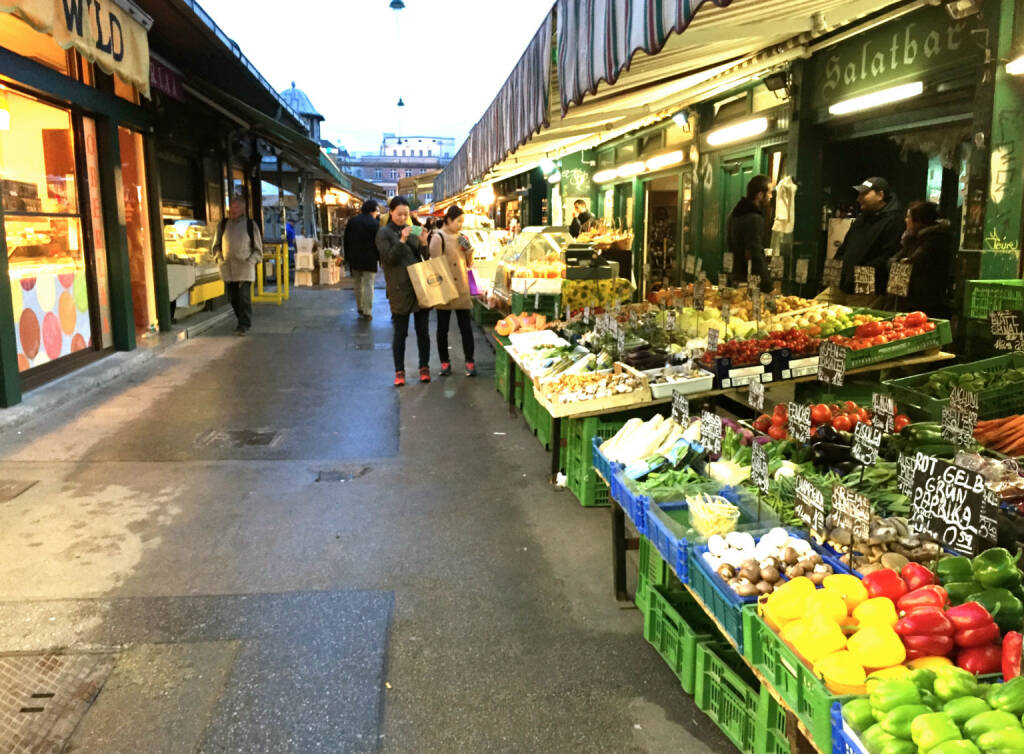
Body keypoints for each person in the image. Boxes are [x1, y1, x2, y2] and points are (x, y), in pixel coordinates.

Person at [377, 196, 430, 386]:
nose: (402, 218)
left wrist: (423, 243)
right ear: (391, 213)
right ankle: (399, 371)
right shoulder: (383, 233)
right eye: (399, 214)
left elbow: (425, 258)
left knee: (423, 330)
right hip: (399, 288)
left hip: (419, 286)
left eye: (406, 214)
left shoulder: (413, 229)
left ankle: (424, 367)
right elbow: (388, 259)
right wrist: (402, 240)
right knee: (401, 332)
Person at [834, 177, 904, 306]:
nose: (858, 198)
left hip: (866, 290)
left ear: (880, 195)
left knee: (854, 322)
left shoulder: (895, 221)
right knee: (814, 310)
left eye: (864, 194)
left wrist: (857, 277)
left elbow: (887, 257)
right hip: (842, 285)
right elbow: (845, 246)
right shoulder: (861, 218)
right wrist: (836, 270)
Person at [430, 205, 476, 376]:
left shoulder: (462, 237)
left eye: (462, 222)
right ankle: (444, 362)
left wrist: (469, 250)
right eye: (458, 221)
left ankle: (470, 361)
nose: (461, 225)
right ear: (448, 220)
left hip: (462, 288)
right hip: (445, 288)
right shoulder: (438, 237)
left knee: (466, 328)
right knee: (443, 328)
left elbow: (469, 264)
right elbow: (434, 264)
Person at [212, 193, 263, 335]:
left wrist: (250, 262)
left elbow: (258, 250)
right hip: (227, 269)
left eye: (235, 207)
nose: (231, 210)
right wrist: (219, 259)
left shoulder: (250, 225)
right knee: (233, 298)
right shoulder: (223, 225)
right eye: (231, 207)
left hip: (244, 269)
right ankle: (241, 320)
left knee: (243, 298)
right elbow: (215, 246)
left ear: (242, 209)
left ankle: (244, 324)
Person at [893, 200, 953, 318]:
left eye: (908, 217)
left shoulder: (936, 240)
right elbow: (894, 260)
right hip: (908, 301)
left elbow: (911, 265)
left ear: (919, 221)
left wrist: (902, 263)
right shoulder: (912, 238)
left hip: (925, 304)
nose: (906, 220)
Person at [726, 174, 774, 293]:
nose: (771, 196)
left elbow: (729, 244)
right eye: (769, 193)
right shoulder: (754, 218)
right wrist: (768, 285)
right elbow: (755, 252)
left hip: (735, 274)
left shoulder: (734, 214)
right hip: (750, 280)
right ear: (759, 195)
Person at [344, 199, 381, 319]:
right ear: (372, 210)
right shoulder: (375, 224)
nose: (377, 213)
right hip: (370, 258)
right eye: (376, 210)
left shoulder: (352, 221)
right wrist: (380, 259)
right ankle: (367, 311)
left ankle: (359, 307)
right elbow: (378, 243)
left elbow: (346, 240)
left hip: (354, 258)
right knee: (369, 284)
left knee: (357, 283)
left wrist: (347, 257)